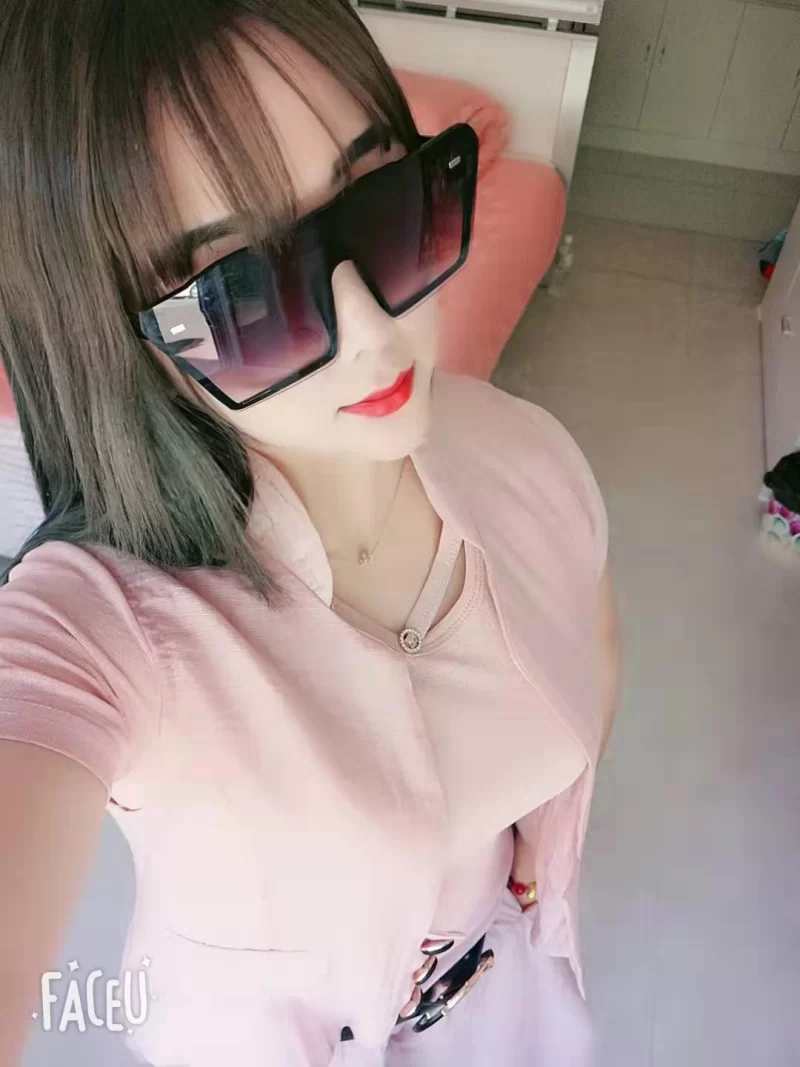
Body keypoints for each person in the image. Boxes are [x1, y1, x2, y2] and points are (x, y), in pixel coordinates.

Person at [0, 1, 621, 1065]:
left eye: (383, 202)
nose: (375, 329)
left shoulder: (530, 457)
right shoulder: (105, 625)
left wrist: (532, 856)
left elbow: (591, 652)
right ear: (123, 344)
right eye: (245, 294)